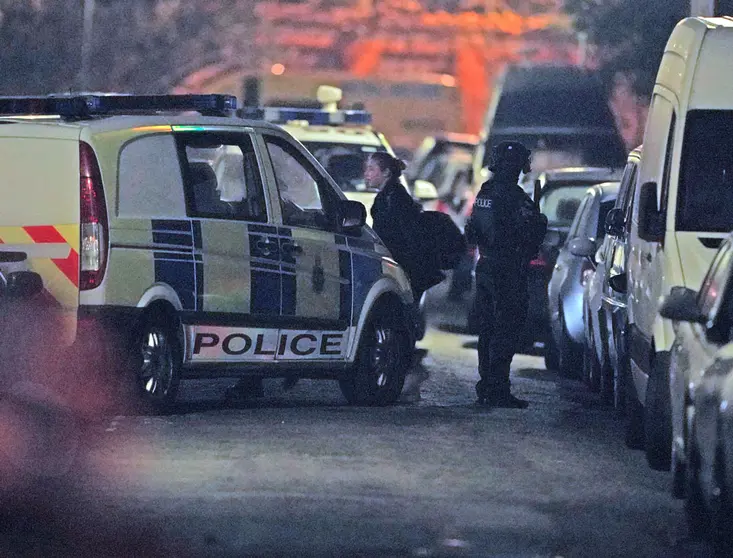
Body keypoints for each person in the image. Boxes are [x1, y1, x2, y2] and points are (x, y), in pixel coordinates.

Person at [465, 141, 547, 409]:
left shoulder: (485, 192)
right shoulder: (515, 197)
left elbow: (473, 230)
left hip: (486, 266)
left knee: (487, 330)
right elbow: (529, 235)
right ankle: (498, 389)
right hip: (507, 270)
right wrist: (538, 223)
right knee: (505, 330)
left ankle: (486, 386)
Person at [365, 152, 445, 305]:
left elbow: (408, 236)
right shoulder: (387, 196)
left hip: (404, 269)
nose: (367, 174)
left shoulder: (395, 198)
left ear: (386, 173)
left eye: (371, 169)